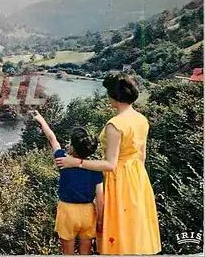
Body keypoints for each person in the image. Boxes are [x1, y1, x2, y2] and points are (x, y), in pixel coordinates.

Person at [55, 73, 161, 255]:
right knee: (133, 224)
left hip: (118, 178)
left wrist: (77, 162)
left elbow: (110, 164)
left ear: (114, 96)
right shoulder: (141, 119)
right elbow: (141, 156)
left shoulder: (115, 125)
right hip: (137, 177)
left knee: (118, 226)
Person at [30, 110, 104, 255]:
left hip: (67, 212)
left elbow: (52, 139)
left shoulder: (63, 161)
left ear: (72, 148)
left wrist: (41, 120)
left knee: (68, 253)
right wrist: (100, 220)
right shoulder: (96, 169)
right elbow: (100, 198)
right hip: (88, 212)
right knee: (85, 251)